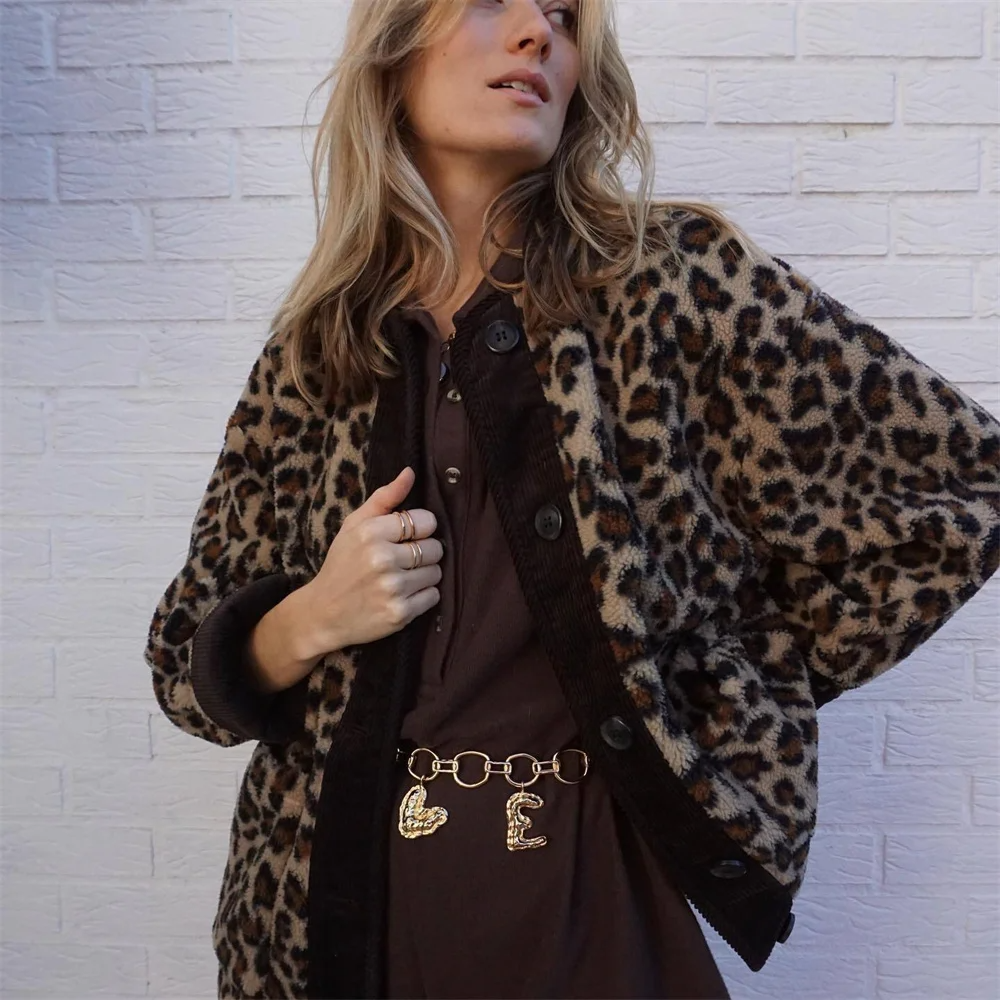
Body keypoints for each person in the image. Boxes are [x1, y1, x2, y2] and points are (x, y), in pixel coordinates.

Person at [144, 1, 1000, 998]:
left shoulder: (675, 283)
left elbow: (962, 489)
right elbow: (182, 666)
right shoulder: (321, 347)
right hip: (332, 910)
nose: (536, 32)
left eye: (561, 12)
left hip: (588, 888)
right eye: (490, 1)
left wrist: (716, 682)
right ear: (394, 44)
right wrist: (310, 618)